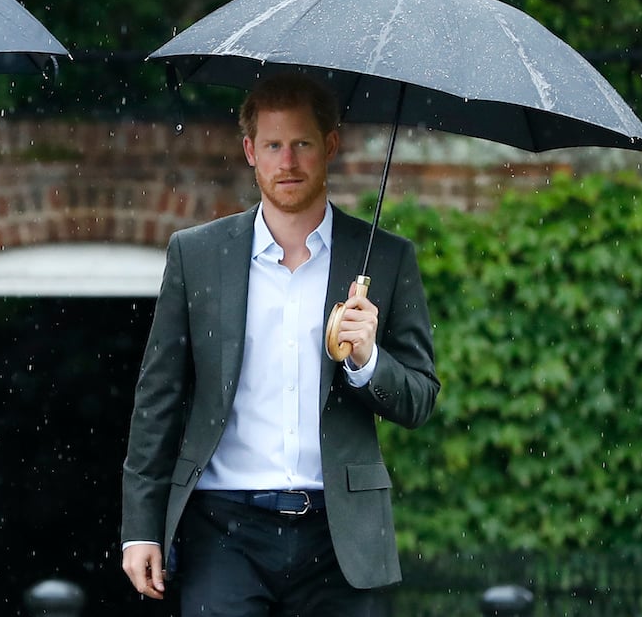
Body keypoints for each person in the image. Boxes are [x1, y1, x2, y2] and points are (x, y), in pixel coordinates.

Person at [120, 72, 439, 616]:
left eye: (302, 144)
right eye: (273, 145)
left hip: (339, 536)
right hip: (224, 529)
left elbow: (419, 398)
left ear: (330, 145)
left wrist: (367, 361)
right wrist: (140, 529)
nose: (287, 162)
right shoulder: (196, 255)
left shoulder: (384, 259)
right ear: (250, 151)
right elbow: (159, 401)